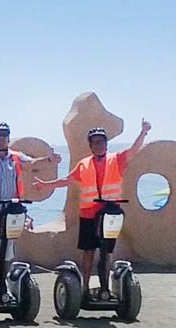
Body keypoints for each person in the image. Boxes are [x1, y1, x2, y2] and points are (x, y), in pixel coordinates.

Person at [35, 119, 151, 299]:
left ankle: (106, 287)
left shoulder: (117, 159)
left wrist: (143, 132)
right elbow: (67, 180)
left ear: (106, 143)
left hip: (110, 213)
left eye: (102, 141)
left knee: (107, 252)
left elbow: (134, 150)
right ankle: (85, 288)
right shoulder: (84, 164)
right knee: (88, 251)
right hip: (89, 214)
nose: (99, 145)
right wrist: (45, 185)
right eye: (95, 142)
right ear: (90, 145)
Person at [0, 122, 61, 300]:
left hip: (9, 212)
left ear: (8, 138)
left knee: (6, 251)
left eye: (4, 136)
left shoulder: (15, 157)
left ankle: (2, 283)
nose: (1, 139)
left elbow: (31, 163)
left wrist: (48, 160)